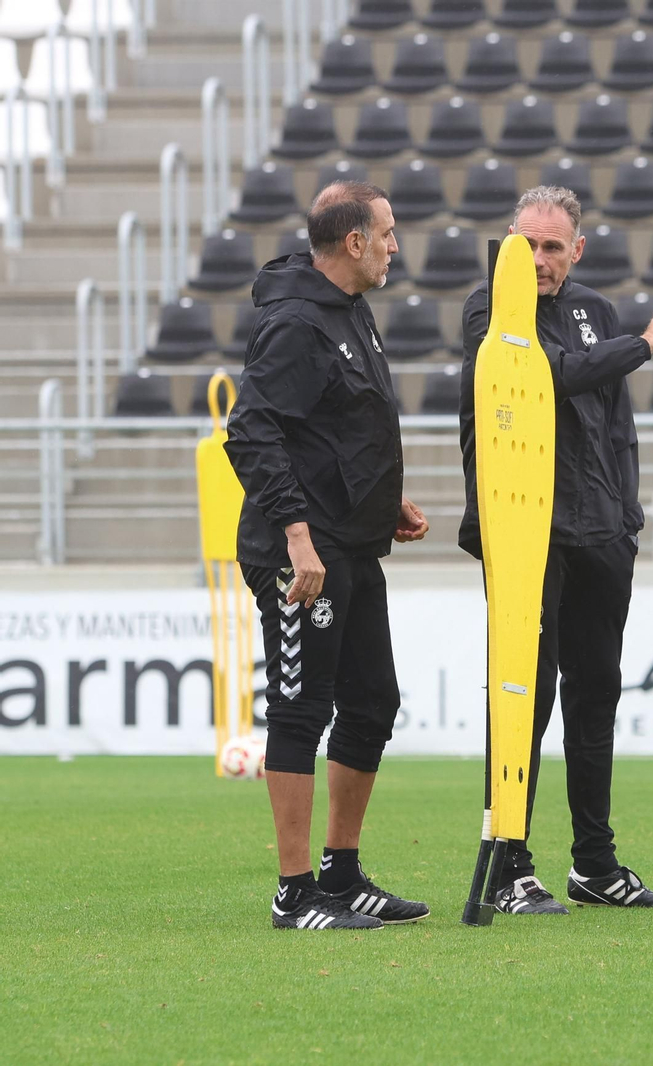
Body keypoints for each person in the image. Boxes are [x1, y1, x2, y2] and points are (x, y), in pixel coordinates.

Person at [458, 186, 653, 915]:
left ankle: (594, 863)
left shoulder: (595, 311)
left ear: (577, 250)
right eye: (526, 244)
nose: (537, 259)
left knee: (596, 693)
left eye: (552, 246)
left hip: (601, 531)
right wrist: (645, 344)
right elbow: (549, 375)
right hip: (527, 531)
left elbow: (616, 424)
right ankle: (511, 866)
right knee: (523, 695)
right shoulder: (490, 310)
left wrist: (627, 515)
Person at [227, 181, 432, 931]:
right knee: (301, 708)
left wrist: (385, 500)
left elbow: (337, 426)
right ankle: (294, 892)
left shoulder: (349, 308)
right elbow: (250, 431)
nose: (395, 246)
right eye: (387, 233)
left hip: (350, 541)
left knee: (373, 701)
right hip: (302, 553)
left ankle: (341, 877)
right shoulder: (295, 322)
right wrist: (296, 534)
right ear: (353, 242)